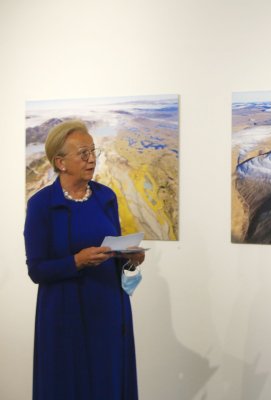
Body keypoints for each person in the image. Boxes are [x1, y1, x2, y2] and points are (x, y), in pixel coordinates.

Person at [24, 120, 145, 399]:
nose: (91, 159)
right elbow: (37, 270)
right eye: (83, 153)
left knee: (108, 381)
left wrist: (130, 259)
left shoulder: (106, 197)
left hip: (108, 308)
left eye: (93, 151)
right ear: (61, 162)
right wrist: (76, 261)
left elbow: (113, 251)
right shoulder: (41, 205)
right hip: (63, 314)